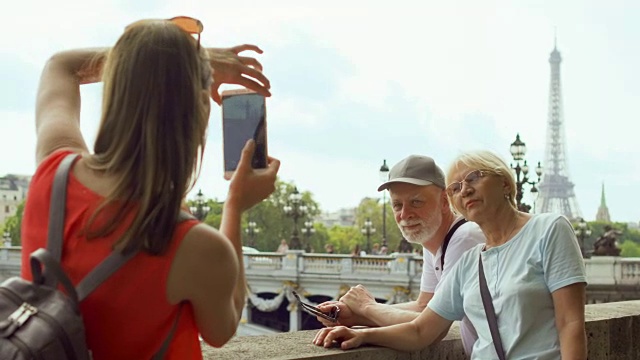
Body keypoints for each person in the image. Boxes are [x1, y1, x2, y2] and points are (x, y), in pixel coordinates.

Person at [20, 16, 280, 359]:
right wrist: (235, 204)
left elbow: (61, 65)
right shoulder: (194, 245)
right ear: (201, 110)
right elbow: (224, 328)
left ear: (116, 88)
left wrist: (152, 59)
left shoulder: (53, 172)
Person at [314, 150, 587, 359]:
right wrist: (360, 333)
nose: (465, 189)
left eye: (474, 177)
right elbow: (421, 329)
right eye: (455, 187)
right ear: (452, 200)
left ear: (505, 183)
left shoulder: (549, 229)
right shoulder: (470, 262)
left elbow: (570, 323)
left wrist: (367, 310)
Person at [316, 155, 485, 355]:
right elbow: (424, 307)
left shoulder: (464, 239)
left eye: (416, 202)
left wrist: (367, 308)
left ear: (444, 201)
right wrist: (355, 317)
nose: (405, 215)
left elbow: (431, 329)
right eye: (397, 205)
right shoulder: (435, 242)